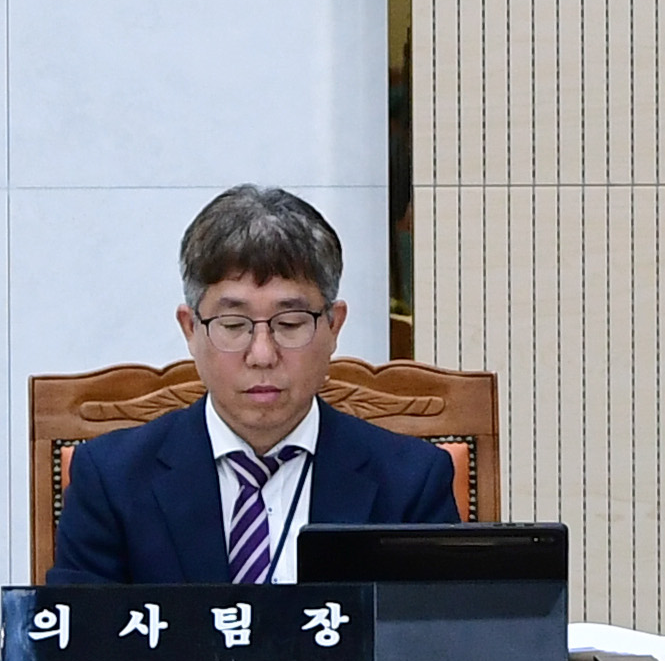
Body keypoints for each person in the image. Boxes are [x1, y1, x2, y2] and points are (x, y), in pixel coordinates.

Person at [50, 187, 462, 586]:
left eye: (290, 324)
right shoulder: (110, 481)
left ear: (334, 326)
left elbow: (433, 646)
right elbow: (79, 647)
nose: (262, 354)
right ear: (190, 329)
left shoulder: (411, 483)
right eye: (233, 325)